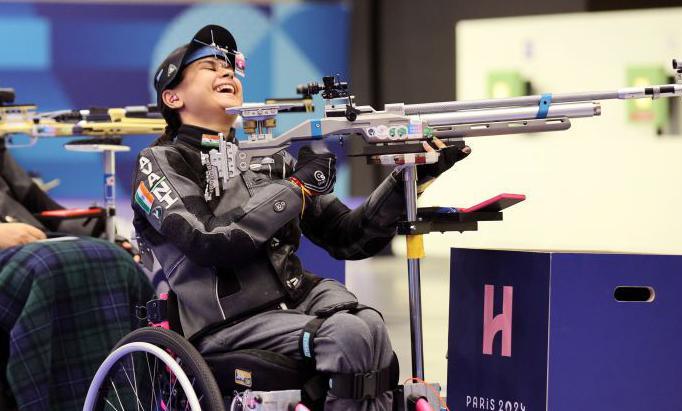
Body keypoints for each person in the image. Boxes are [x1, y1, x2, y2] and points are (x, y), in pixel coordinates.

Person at [133, 25, 469, 410]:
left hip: (294, 301)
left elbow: (349, 237)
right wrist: (296, 188)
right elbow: (209, 243)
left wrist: (410, 176)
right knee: (348, 336)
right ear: (172, 96)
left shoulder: (271, 158)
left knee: (372, 328)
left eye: (230, 67)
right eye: (209, 66)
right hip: (223, 321)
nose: (226, 72)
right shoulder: (159, 162)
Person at [0, 139, 153, 410]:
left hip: (33, 241)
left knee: (114, 258)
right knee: (46, 268)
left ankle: (130, 399)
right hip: (21, 251)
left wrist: (100, 234)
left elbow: (34, 199)